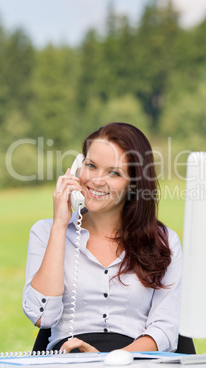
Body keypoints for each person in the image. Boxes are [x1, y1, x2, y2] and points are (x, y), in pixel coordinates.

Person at [23, 122, 182, 353]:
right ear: (78, 167)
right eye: (91, 165)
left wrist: (109, 360)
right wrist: (59, 224)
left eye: (114, 173)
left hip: (135, 361)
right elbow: (42, 316)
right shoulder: (45, 232)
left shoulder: (164, 241)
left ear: (134, 184)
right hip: (69, 361)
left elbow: (165, 329)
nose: (97, 180)